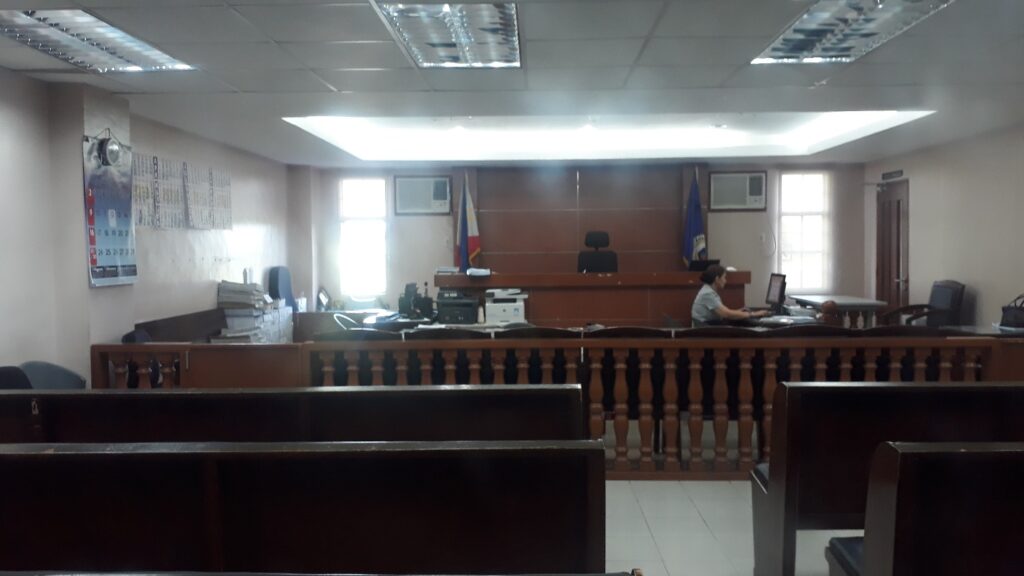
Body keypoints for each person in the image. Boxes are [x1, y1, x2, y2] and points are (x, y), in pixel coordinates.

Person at [691, 265, 770, 327]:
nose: (725, 281)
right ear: (717, 279)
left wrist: (739, 312)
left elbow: (725, 312)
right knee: (743, 323)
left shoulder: (708, 290)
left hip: (709, 324)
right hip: (705, 328)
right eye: (724, 278)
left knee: (742, 320)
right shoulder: (707, 294)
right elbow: (726, 314)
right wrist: (753, 314)